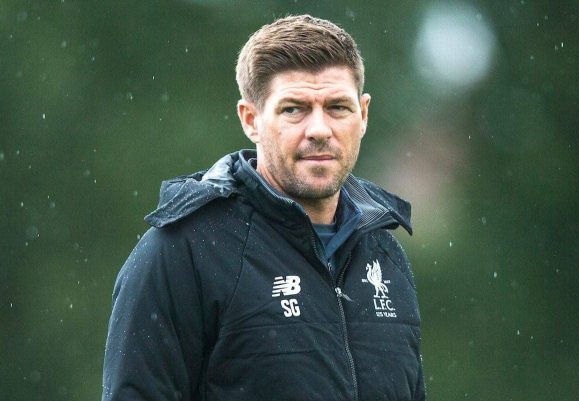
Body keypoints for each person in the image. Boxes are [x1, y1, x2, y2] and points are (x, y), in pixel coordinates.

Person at [102, 14, 424, 401]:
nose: (320, 129)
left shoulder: (385, 254)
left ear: (364, 114)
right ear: (251, 120)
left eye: (338, 107)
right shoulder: (184, 251)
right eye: (294, 109)